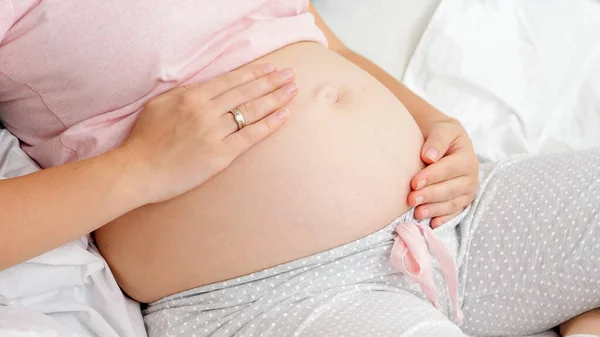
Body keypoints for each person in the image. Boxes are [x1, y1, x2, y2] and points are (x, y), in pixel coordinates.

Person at [0, 1, 597, 336]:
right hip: (266, 296)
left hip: (451, 219)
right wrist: (140, 166)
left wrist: (438, 125)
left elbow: (314, 37)